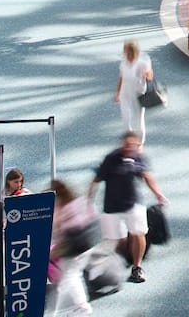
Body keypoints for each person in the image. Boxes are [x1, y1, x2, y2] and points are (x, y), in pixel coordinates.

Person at [89, 131, 166, 284]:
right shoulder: (111, 159)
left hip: (133, 204)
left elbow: (146, 176)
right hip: (112, 207)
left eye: (133, 146)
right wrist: (88, 200)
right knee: (118, 240)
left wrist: (158, 194)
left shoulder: (139, 157)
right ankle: (119, 264)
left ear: (137, 146)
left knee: (138, 233)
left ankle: (137, 268)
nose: (130, 148)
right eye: (127, 145)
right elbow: (96, 180)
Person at [50, 177, 98, 317]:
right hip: (87, 244)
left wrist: (56, 248)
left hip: (72, 248)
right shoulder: (79, 200)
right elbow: (92, 215)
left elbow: (57, 231)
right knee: (74, 276)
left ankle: (81, 307)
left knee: (69, 278)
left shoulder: (60, 208)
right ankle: (81, 306)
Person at [115, 40, 154, 145]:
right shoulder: (124, 63)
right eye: (126, 52)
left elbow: (150, 77)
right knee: (126, 118)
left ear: (135, 52)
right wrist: (118, 92)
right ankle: (129, 142)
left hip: (139, 94)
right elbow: (121, 77)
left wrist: (146, 73)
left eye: (129, 52)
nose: (128, 55)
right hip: (125, 93)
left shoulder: (142, 62)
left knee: (138, 120)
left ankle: (140, 143)